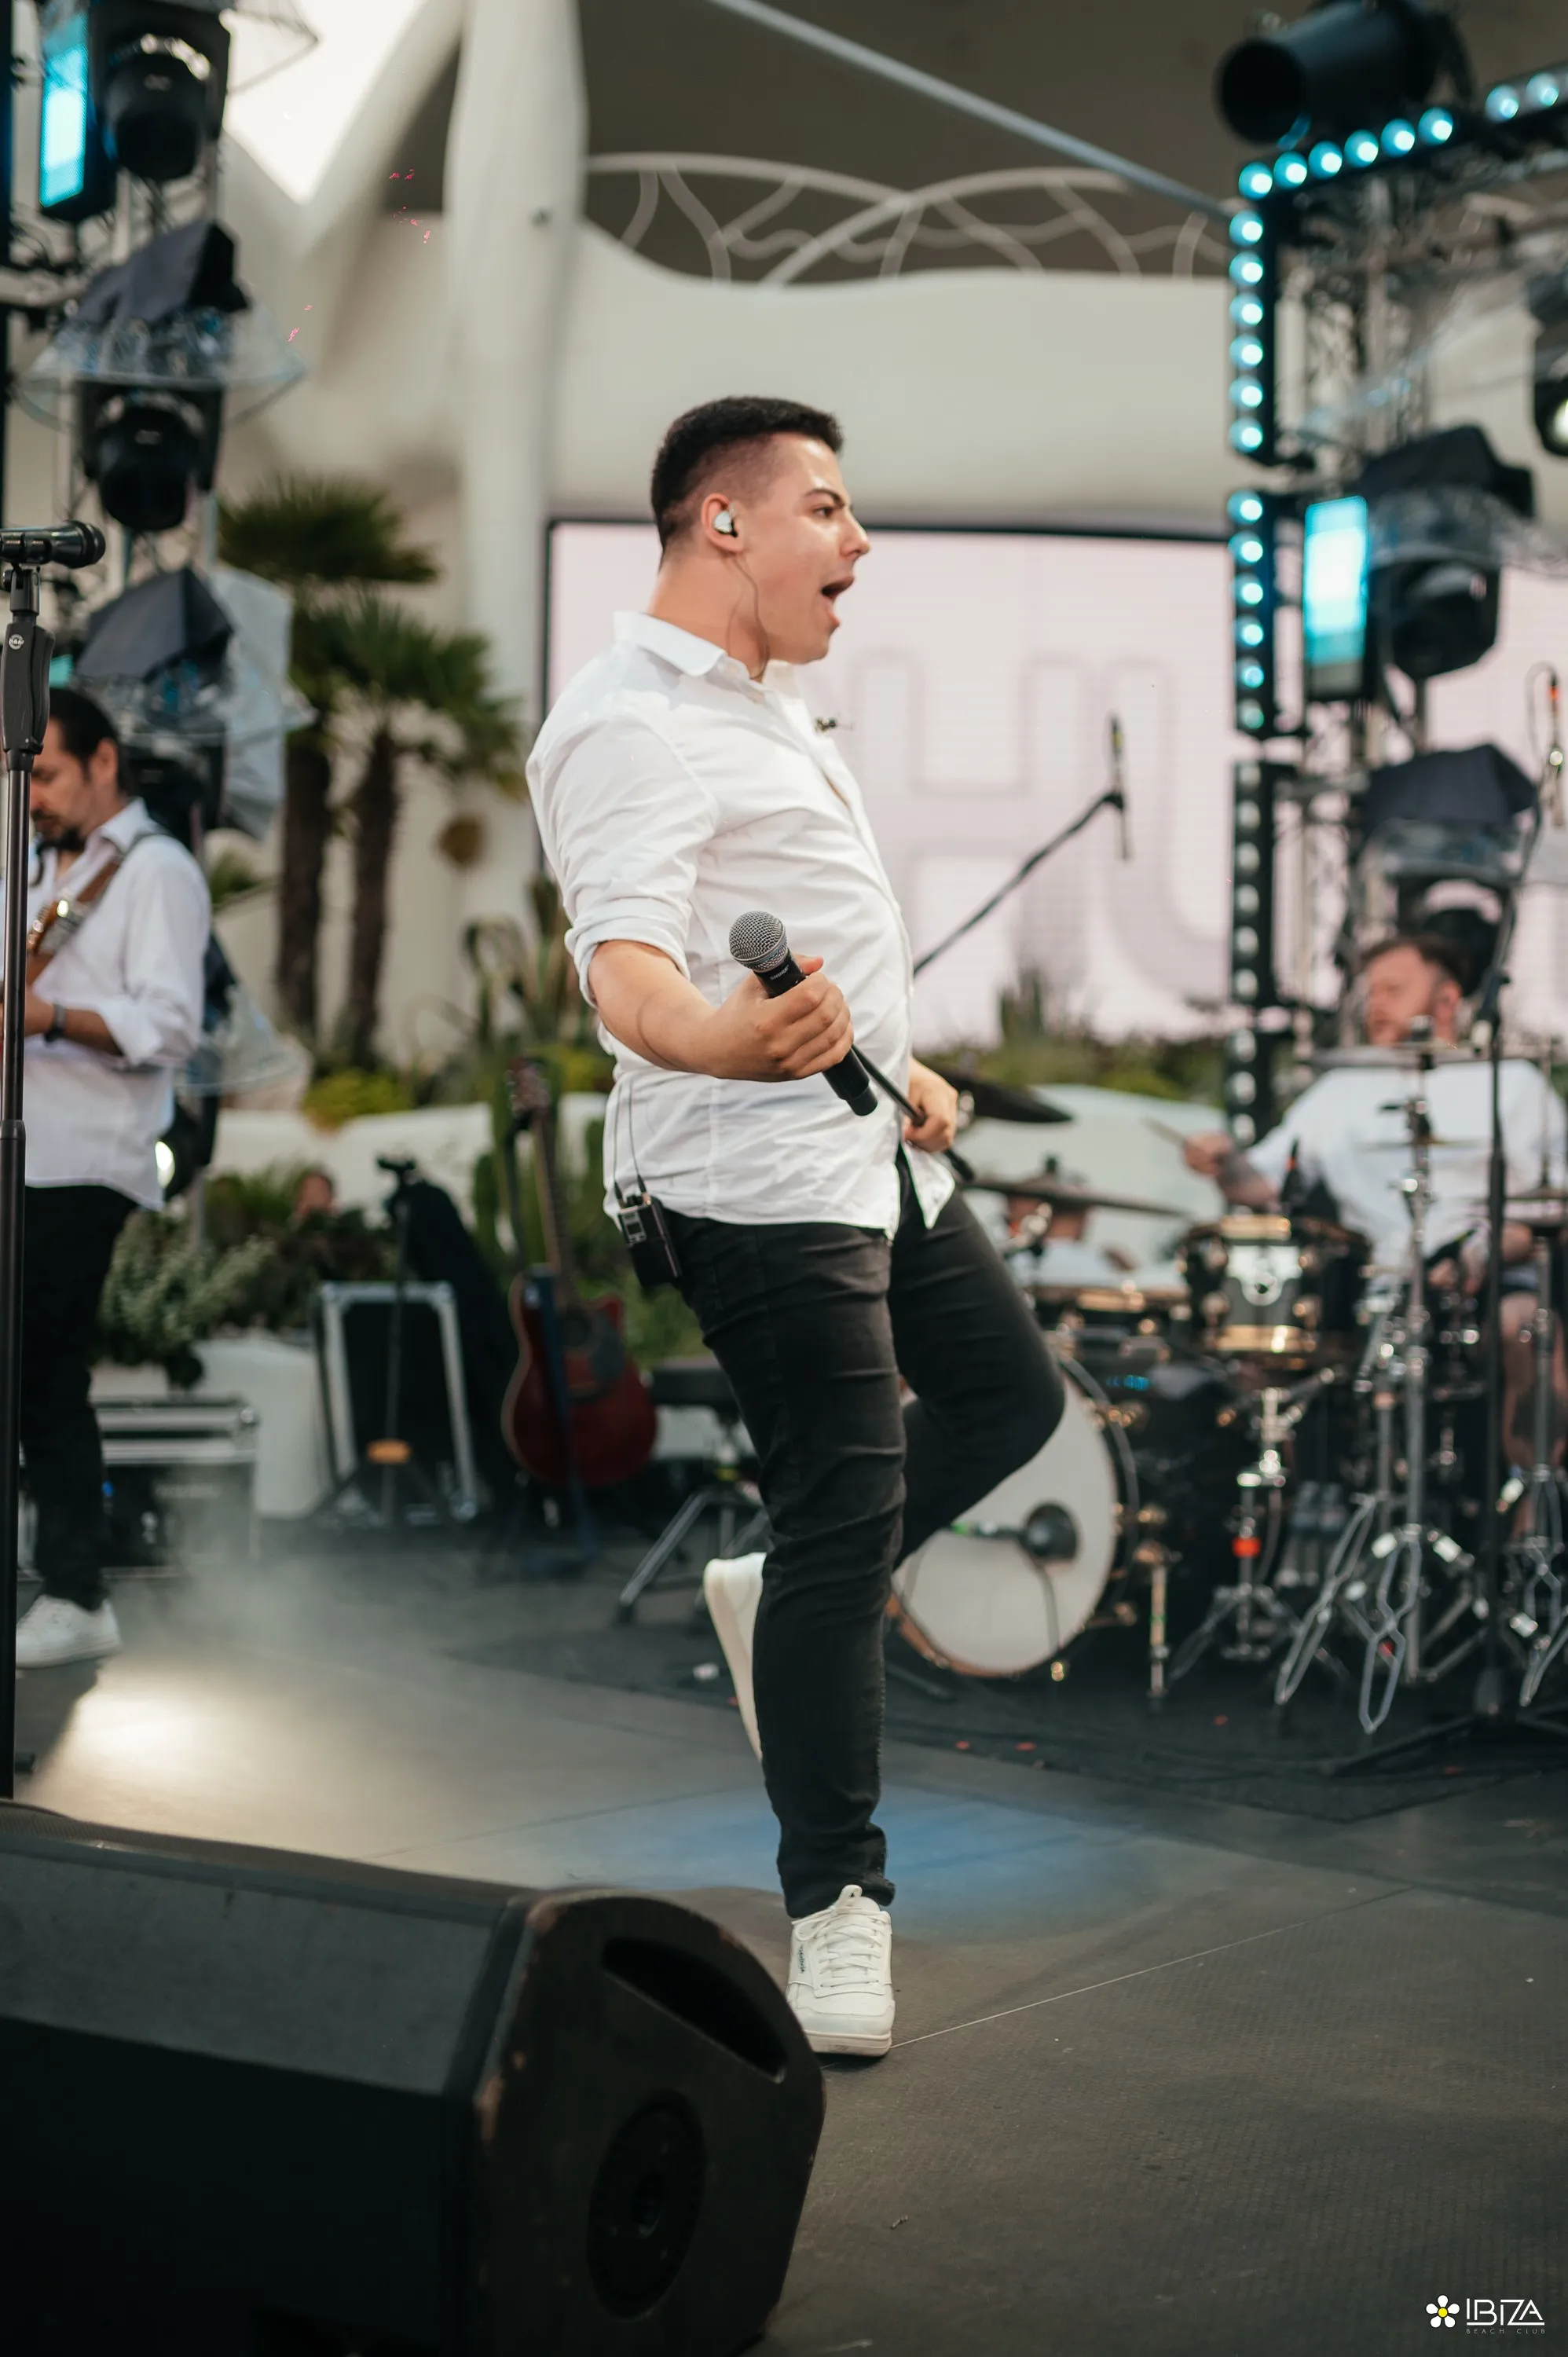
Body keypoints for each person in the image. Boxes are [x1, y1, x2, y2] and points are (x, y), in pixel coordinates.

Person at [529, 395, 1063, 2057]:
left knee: (1010, 1401)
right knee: (847, 1512)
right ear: (724, 523)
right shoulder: (625, 721)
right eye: (826, 507)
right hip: (753, 1187)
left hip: (865, 1146)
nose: (858, 539)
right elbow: (626, 971)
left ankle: (783, 1592)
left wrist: (905, 1071)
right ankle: (836, 1909)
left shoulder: (772, 704)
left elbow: (806, 952)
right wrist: (722, 1038)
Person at [1183, 932, 1567, 1462]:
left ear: (1447, 999)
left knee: (1527, 1326)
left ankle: (1530, 1495)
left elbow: (1549, 1211)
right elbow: (1262, 1184)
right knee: (1261, 1344)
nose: (1377, 1005)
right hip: (1366, 1286)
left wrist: (1478, 1258)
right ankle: (1284, 1497)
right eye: (1371, 992)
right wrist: (1223, 1160)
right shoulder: (1343, 1088)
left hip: (1479, 1281)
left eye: (1394, 990)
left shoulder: (1512, 1083)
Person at [13, 688, 211, 1671]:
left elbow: (171, 1027)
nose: (32, 795)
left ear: (104, 762)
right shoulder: (30, 865)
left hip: (87, 1158)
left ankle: (78, 1590)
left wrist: (47, 1018)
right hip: (23, 1150)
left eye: (46, 773)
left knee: (43, 1367)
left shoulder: (157, 872)